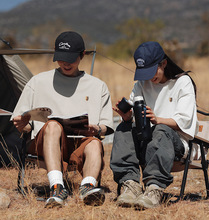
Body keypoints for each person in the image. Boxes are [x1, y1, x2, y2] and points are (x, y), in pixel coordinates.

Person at [12, 31, 114, 208]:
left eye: (71, 58)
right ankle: (57, 188)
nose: (66, 63)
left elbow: (106, 126)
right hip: (44, 144)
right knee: (52, 126)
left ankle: (87, 188)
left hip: (79, 145)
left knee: (95, 143)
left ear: (82, 55)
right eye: (61, 58)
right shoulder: (38, 82)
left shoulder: (97, 86)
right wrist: (23, 125)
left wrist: (97, 129)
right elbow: (25, 123)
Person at [110, 41, 198, 209]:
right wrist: (128, 117)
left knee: (161, 129)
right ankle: (130, 185)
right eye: (144, 73)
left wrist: (158, 120)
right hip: (147, 140)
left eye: (152, 71)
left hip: (176, 142)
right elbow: (136, 121)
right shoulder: (141, 84)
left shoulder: (182, 82)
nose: (150, 77)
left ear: (163, 63)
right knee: (123, 128)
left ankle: (154, 188)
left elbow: (184, 121)